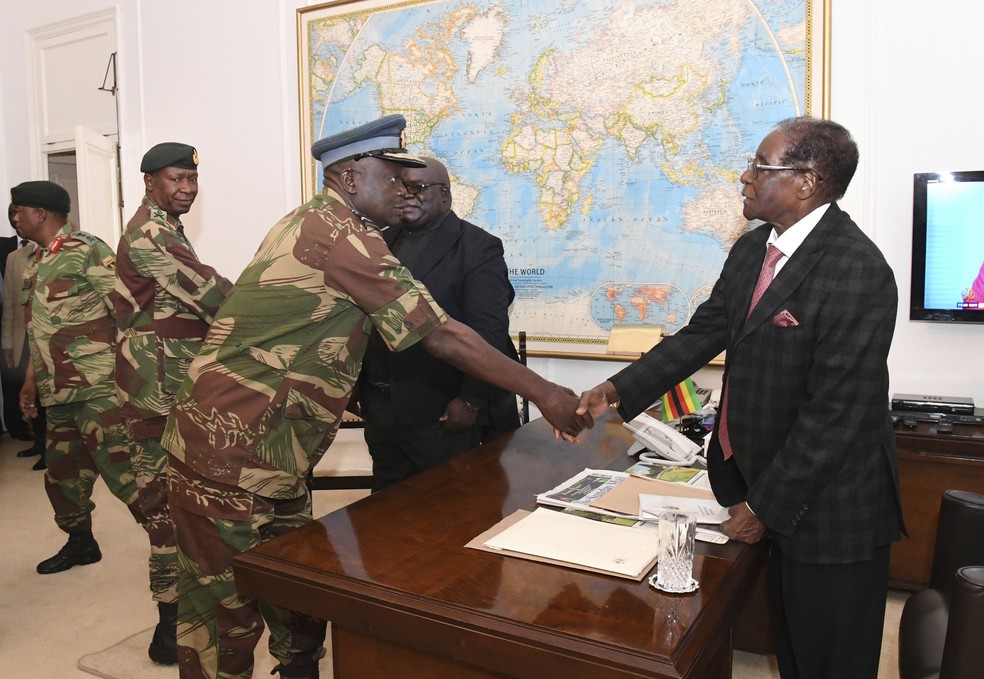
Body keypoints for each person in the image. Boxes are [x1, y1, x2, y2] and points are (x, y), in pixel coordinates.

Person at [161, 114, 587, 679]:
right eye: (393, 178)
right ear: (351, 178)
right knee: (223, 613)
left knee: (296, 581)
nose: (404, 191)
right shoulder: (341, 237)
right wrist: (547, 392)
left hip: (273, 447)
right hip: (226, 448)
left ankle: (299, 669)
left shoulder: (312, 220)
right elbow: (441, 334)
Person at [576, 117, 904, 679]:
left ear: (806, 182)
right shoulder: (753, 249)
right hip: (765, 477)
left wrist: (762, 508)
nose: (745, 177)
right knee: (790, 648)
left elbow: (834, 415)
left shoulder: (858, 269)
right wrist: (616, 390)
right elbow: (703, 334)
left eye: (759, 166)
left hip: (832, 507)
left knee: (829, 662)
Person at [9, 182, 168, 601]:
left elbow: (127, 311)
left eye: (18, 210)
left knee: (128, 477)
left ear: (41, 214)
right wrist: (30, 382)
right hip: (57, 393)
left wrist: (136, 377)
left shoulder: (88, 250)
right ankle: (81, 542)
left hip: (98, 390)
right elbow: (38, 330)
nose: (14, 217)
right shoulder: (35, 262)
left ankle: (179, 555)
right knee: (62, 477)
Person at [112, 142, 232, 665]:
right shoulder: (150, 233)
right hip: (156, 394)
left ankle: (183, 610)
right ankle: (168, 627)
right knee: (163, 507)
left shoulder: (166, 228)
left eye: (191, 179)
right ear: (149, 183)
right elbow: (209, 294)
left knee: (179, 501)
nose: (186, 188)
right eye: (175, 179)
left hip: (169, 387)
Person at [357, 156, 520, 491]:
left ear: (444, 194)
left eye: (417, 187)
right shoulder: (379, 241)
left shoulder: (478, 248)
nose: (406, 194)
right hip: (382, 411)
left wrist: (472, 400)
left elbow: (489, 334)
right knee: (384, 507)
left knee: (448, 505)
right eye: (400, 186)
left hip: (441, 411)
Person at [2, 204, 40, 455]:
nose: (16, 219)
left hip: (46, 334)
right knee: (23, 387)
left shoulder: (53, 251)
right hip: (21, 335)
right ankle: (34, 439)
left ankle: (46, 446)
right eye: (11, 214)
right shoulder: (13, 257)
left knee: (44, 394)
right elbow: (9, 305)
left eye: (20, 213)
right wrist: (6, 343)